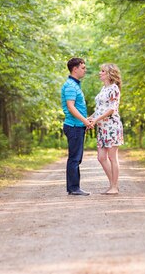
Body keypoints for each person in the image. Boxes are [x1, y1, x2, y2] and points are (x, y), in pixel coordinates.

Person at [88, 63, 123, 195]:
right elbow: (99, 110)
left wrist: (96, 120)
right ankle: (113, 184)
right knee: (101, 157)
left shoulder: (114, 89)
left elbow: (111, 109)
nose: (100, 73)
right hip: (102, 128)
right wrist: (89, 119)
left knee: (112, 157)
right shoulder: (104, 89)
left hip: (112, 126)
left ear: (109, 73)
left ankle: (114, 186)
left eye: (102, 71)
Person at [61, 57, 93, 196]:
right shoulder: (70, 86)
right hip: (74, 126)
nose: (85, 70)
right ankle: (74, 188)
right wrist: (85, 121)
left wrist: (87, 119)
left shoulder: (75, 85)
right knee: (74, 158)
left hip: (77, 125)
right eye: (83, 68)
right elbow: (71, 107)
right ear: (75, 69)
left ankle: (74, 187)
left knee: (76, 158)